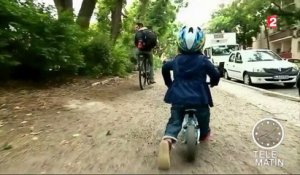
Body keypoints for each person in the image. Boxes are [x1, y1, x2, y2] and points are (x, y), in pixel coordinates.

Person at [157, 26, 221, 170]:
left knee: (175, 120)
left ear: (179, 43)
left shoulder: (176, 60)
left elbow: (165, 68)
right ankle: (204, 134)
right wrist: (214, 82)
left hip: (178, 97)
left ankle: (167, 140)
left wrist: (169, 83)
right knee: (204, 118)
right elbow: (215, 74)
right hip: (199, 98)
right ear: (201, 43)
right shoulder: (203, 60)